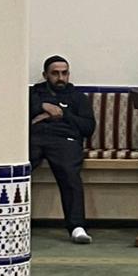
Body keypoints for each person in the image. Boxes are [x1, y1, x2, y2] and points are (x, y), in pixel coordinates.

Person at [29, 55, 96, 244]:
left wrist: (62, 113)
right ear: (45, 75)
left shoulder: (77, 98)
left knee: (69, 173)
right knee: (18, 169)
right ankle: (8, 219)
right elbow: (18, 110)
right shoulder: (34, 93)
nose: (60, 78)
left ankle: (76, 227)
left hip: (65, 140)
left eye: (64, 73)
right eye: (55, 73)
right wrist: (42, 106)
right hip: (35, 138)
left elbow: (88, 127)